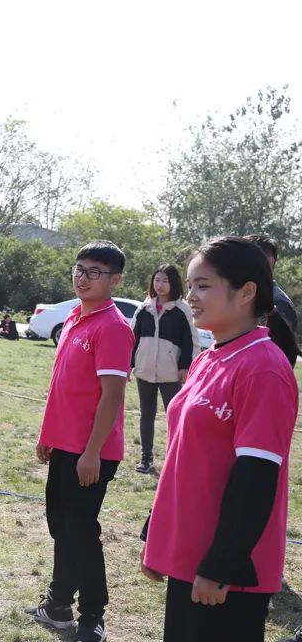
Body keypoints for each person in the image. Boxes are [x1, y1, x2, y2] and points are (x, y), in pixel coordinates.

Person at [141, 237, 299, 642]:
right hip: (191, 552)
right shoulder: (210, 357)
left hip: (226, 569)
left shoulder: (263, 368)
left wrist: (221, 564)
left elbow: (256, 476)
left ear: (246, 292)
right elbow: (185, 457)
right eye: (190, 285)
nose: (190, 296)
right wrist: (160, 534)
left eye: (204, 286)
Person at [26, 240, 134, 642]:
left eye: (94, 272)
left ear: (114, 280)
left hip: (93, 452)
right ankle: (57, 605)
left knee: (81, 531)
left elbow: (112, 396)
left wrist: (91, 452)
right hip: (65, 446)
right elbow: (63, 388)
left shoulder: (114, 327)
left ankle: (92, 616)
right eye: (79, 269)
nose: (82, 277)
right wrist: (48, 435)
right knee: (61, 527)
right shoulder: (75, 317)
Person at [130, 264, 200, 475]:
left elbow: (191, 341)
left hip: (171, 373)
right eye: (157, 280)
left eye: (165, 281)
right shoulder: (144, 308)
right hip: (144, 371)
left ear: (173, 284)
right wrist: (128, 364)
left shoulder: (183, 310)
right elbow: (132, 338)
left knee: (175, 416)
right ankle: (146, 458)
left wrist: (186, 367)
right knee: (146, 415)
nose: (160, 285)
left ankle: (175, 457)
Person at [244, 234, 298, 366]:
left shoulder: (278, 303)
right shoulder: (253, 297)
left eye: (245, 259)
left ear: (269, 262)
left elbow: (280, 357)